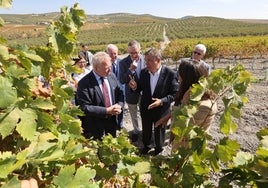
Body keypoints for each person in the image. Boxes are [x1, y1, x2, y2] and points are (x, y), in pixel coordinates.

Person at [155, 58, 217, 151]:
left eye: (180, 76)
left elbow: (182, 128)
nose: (178, 79)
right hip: (180, 145)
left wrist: (184, 102)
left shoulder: (204, 106)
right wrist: (168, 116)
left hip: (188, 151)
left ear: (188, 79)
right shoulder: (191, 95)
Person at [129, 48, 179, 155]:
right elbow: (139, 88)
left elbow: (175, 93)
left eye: (150, 61)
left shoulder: (170, 74)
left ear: (158, 60)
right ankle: (146, 146)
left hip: (161, 110)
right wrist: (134, 87)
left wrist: (161, 101)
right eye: (146, 60)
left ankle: (158, 149)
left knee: (159, 131)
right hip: (146, 108)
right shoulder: (143, 73)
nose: (146, 63)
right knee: (146, 129)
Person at [76, 52, 124, 140]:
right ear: (96, 68)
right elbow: (84, 107)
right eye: (107, 68)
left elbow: (120, 93)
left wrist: (120, 106)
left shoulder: (111, 76)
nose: (110, 70)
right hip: (96, 125)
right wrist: (106, 111)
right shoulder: (84, 83)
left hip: (112, 122)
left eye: (110, 67)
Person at [119, 40, 145, 142]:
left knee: (145, 113)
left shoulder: (146, 59)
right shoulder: (123, 62)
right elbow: (122, 79)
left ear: (140, 50)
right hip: (131, 93)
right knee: (133, 114)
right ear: (128, 51)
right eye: (131, 53)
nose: (134, 55)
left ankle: (146, 131)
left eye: (136, 52)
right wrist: (130, 69)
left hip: (144, 93)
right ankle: (136, 131)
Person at [106, 44, 124, 130]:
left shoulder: (122, 62)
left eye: (115, 53)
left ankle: (120, 126)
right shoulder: (105, 65)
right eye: (111, 53)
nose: (114, 55)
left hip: (121, 91)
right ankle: (112, 127)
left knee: (121, 109)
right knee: (112, 110)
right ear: (107, 53)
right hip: (110, 92)